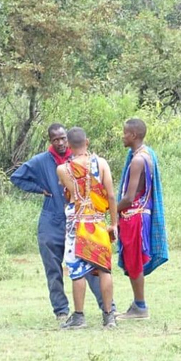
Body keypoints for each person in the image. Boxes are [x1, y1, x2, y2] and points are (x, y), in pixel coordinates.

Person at [10, 123, 112, 321]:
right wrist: (40, 189)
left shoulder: (79, 160)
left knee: (91, 264)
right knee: (53, 267)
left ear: (69, 139)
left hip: (81, 220)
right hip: (53, 218)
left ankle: (107, 307)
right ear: (50, 141)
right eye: (56, 139)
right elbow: (17, 177)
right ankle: (61, 310)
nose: (61, 142)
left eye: (63, 138)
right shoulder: (42, 161)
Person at [56, 127, 118, 329]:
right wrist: (114, 223)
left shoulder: (63, 169)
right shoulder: (101, 163)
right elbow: (110, 195)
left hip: (77, 223)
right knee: (103, 268)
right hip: (98, 222)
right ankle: (109, 316)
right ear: (87, 142)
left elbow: (72, 193)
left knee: (77, 271)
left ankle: (79, 316)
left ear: (68, 146)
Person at [116, 118, 169, 320]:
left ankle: (140, 306)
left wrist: (110, 209)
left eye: (125, 133)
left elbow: (129, 198)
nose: (123, 136)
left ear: (134, 135)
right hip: (139, 215)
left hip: (135, 216)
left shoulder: (138, 160)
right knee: (133, 260)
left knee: (134, 261)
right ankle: (138, 304)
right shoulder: (146, 154)